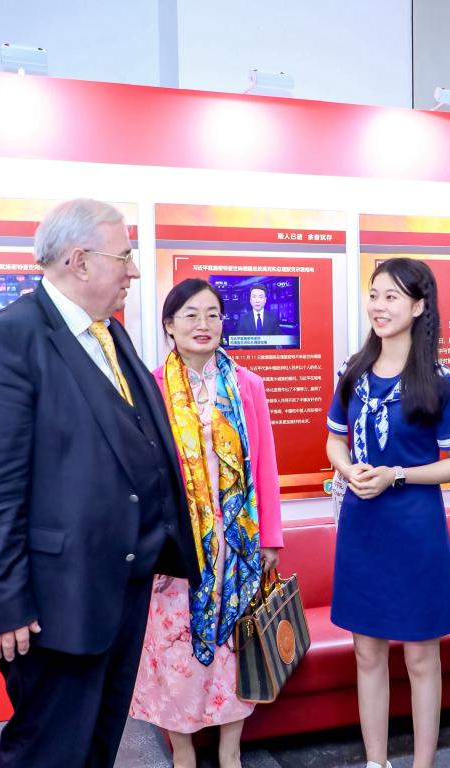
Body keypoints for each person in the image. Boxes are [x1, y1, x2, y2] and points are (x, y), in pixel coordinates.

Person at [0, 199, 202, 767]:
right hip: (54, 600)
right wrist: (1, 601)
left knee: (97, 743)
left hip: (121, 585)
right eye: (125, 257)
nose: (134, 272)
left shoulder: (110, 334)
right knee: (51, 749)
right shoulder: (9, 338)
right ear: (80, 261)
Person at [325, 258, 450, 768]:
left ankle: (422, 764)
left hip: (415, 530)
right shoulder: (353, 373)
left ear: (418, 306)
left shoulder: (441, 382)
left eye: (391, 296)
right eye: (374, 294)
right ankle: (376, 762)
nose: (379, 306)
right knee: (366, 653)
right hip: (362, 528)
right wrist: (349, 469)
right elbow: (334, 440)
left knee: (420, 657)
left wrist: (397, 475)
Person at [130, 278, 283, 768]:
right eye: (191, 315)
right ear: (169, 326)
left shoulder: (247, 386)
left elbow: (264, 467)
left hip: (236, 542)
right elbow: (140, 474)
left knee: (233, 648)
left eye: (213, 314)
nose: (203, 324)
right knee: (174, 647)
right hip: (177, 546)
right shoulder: (149, 388)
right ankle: (182, 754)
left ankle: (230, 751)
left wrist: (270, 539)